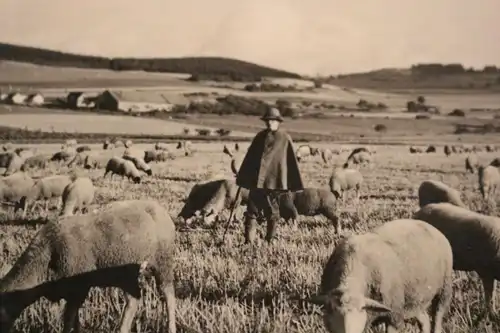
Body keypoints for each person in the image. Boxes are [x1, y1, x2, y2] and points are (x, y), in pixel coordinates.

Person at [235, 107, 304, 244]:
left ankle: (269, 240)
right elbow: (250, 159)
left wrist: (287, 182)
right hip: (257, 183)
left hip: (274, 183)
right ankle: (248, 242)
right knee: (251, 212)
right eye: (267, 120)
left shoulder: (284, 138)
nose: (269, 123)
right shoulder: (259, 137)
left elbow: (288, 162)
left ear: (278, 122)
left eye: (272, 121)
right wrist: (244, 177)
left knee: (272, 213)